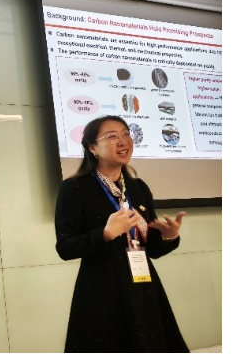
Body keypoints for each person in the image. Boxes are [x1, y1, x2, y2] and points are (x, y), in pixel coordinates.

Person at [55, 114, 188, 353]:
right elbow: (65, 247)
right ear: (92, 148)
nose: (123, 141)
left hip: (143, 286)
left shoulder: (138, 187)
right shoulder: (74, 188)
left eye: (126, 134)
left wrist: (168, 237)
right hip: (101, 290)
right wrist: (105, 234)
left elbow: (152, 249)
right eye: (112, 136)